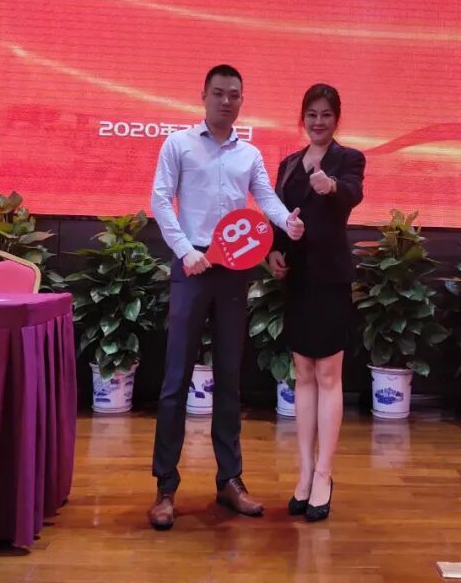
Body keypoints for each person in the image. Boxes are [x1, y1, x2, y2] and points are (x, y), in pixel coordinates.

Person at [148, 64, 305, 531]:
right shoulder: (178, 144)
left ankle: (230, 480)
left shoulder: (249, 154)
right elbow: (160, 200)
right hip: (191, 268)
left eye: (234, 95)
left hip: (234, 272)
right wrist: (185, 251)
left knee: (230, 376)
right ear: (203, 96)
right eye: (218, 93)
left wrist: (288, 222)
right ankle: (165, 487)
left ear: (241, 100)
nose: (226, 101)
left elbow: (266, 199)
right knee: (175, 379)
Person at [268, 83, 365, 522]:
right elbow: (278, 217)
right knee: (303, 374)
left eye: (326, 114)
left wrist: (330, 186)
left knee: (328, 375)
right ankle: (305, 473)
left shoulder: (349, 159)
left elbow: (352, 194)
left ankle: (325, 474)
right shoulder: (288, 164)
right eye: (312, 114)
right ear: (302, 118)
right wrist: (274, 252)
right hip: (298, 279)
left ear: (336, 118)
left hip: (330, 279)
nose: (318, 121)